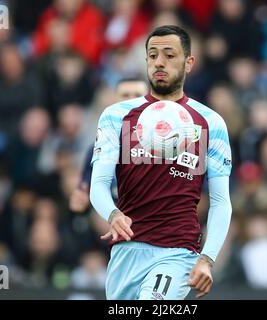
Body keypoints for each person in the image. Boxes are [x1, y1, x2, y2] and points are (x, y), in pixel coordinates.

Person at [89, 25, 233, 300]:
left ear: (189, 63)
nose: (159, 62)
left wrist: (208, 258)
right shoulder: (116, 116)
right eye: (153, 55)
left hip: (177, 252)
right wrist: (112, 214)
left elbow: (220, 201)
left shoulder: (209, 122)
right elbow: (99, 183)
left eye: (169, 55)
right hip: (125, 253)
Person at [69, 78, 148, 213]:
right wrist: (81, 203)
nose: (130, 101)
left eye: (137, 96)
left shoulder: (168, 145)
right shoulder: (98, 148)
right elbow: (85, 196)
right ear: (115, 102)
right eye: (125, 96)